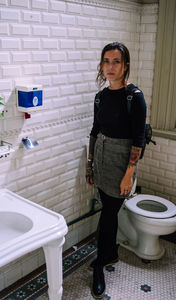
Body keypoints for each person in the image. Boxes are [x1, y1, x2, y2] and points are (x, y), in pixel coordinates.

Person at [86, 42, 146, 299]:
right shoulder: (100, 96)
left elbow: (138, 139)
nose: (110, 67)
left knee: (108, 214)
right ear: (101, 65)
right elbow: (94, 131)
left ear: (126, 65)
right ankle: (110, 254)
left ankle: (100, 264)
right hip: (101, 158)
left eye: (116, 61)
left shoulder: (135, 97)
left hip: (122, 164)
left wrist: (129, 173)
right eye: (106, 61)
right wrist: (90, 165)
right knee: (107, 211)